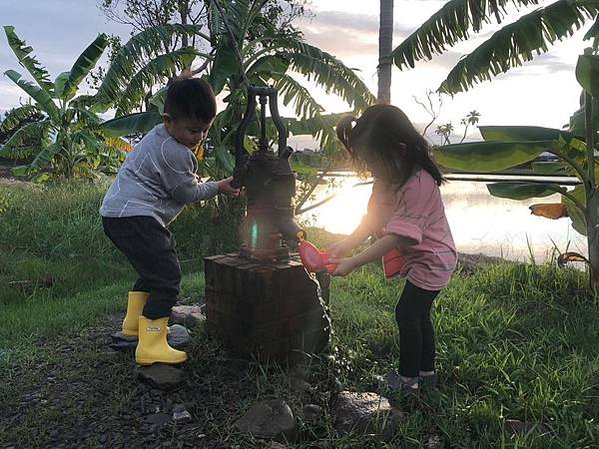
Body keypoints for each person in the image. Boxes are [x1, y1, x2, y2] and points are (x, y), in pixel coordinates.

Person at [100, 76, 239, 366]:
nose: (198, 137)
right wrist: (219, 185)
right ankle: (151, 344)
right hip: (135, 216)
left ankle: (134, 327)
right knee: (167, 278)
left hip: (117, 215)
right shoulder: (174, 152)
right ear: (168, 120)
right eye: (192, 130)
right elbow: (186, 193)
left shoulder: (160, 135)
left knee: (152, 271)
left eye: (204, 130)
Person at [329, 104, 457, 392]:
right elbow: (372, 220)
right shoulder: (386, 179)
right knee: (419, 314)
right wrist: (347, 243)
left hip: (434, 260)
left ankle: (407, 378)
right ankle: (426, 374)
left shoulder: (419, 183)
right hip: (422, 257)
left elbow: (397, 236)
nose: (372, 170)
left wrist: (354, 261)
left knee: (407, 313)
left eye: (374, 161)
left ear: (399, 150)